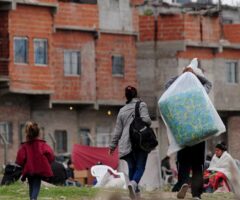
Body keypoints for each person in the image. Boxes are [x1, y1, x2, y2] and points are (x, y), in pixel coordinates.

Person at [165, 58, 212, 200]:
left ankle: (183, 183)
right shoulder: (200, 92)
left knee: (183, 162)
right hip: (198, 133)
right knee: (198, 164)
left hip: (184, 134)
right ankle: (196, 194)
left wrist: (182, 75)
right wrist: (193, 75)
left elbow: (167, 85)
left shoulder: (176, 93)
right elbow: (209, 83)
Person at [109, 85, 152, 199]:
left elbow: (117, 130)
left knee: (132, 167)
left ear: (126, 96)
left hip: (126, 143)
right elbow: (147, 120)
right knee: (140, 166)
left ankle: (135, 194)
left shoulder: (122, 110)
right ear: (136, 94)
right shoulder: (141, 105)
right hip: (140, 140)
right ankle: (133, 184)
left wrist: (112, 146)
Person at [16, 121, 54, 200]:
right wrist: (46, 162)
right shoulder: (42, 145)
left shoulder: (25, 146)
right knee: (36, 184)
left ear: (27, 133)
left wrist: (24, 165)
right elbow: (50, 155)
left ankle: (32, 198)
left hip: (29, 169)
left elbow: (20, 159)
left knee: (31, 184)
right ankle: (33, 198)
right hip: (39, 169)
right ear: (38, 133)